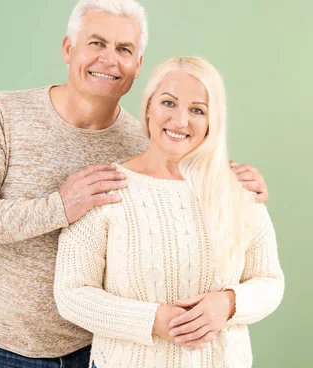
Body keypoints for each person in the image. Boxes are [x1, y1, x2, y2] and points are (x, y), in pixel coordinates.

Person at [0, 0, 269, 367]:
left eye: (124, 49)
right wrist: (58, 208)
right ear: (68, 48)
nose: (109, 59)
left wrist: (235, 181)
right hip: (5, 346)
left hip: (103, 347)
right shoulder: (3, 115)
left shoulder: (143, 142)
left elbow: (189, 168)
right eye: (96, 43)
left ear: (138, 66)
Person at [54, 56, 285, 368]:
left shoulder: (238, 189)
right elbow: (72, 294)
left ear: (212, 121)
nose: (179, 121)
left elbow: (270, 281)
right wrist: (152, 320)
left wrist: (228, 304)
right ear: (148, 108)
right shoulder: (106, 187)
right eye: (168, 103)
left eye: (197, 110)